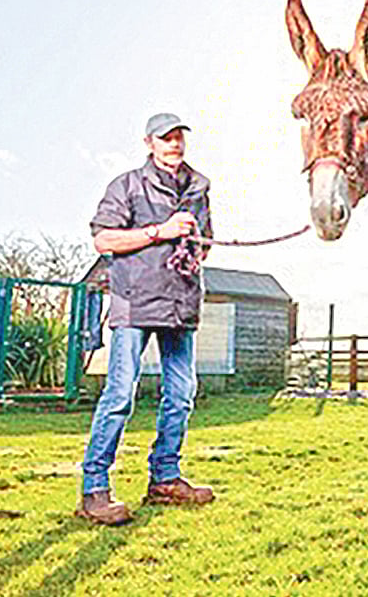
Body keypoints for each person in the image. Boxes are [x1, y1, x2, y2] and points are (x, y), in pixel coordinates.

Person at [76, 112, 215, 525]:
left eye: (178, 137)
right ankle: (94, 490)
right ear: (148, 142)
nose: (174, 143)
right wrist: (161, 232)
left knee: (181, 393)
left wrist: (193, 246)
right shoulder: (127, 185)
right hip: (134, 302)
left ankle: (165, 480)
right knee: (120, 394)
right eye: (165, 137)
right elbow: (104, 239)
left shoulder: (199, 187)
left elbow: (205, 242)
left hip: (180, 303)